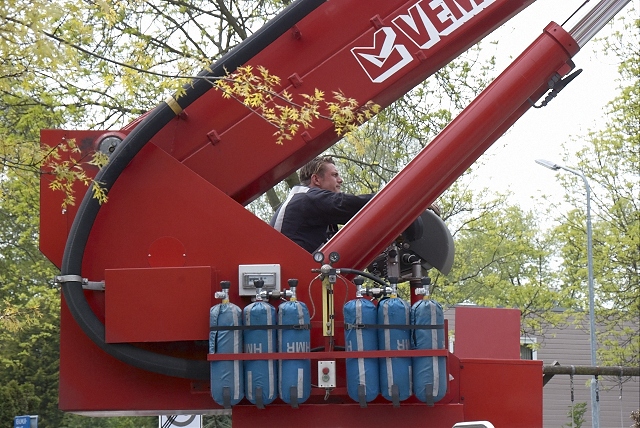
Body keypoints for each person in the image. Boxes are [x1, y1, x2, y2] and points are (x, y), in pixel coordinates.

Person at [270, 156, 373, 253]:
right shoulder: (308, 199)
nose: (340, 180)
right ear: (316, 179)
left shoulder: (300, 200)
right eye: (334, 175)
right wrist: (385, 197)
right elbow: (346, 204)